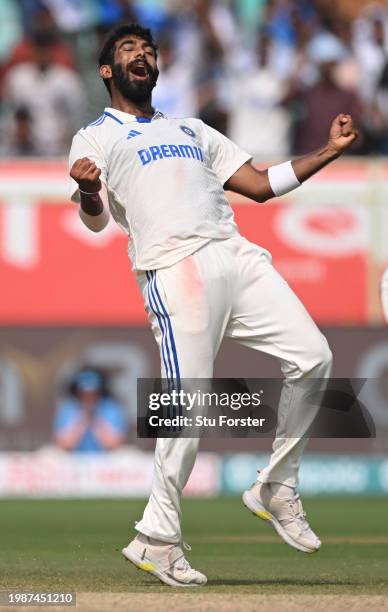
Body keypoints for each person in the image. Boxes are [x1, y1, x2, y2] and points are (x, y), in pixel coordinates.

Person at [68, 23, 358, 587]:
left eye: (148, 50)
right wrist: (86, 191)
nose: (142, 55)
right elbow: (97, 220)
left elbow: (259, 184)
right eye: (129, 50)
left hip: (236, 254)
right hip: (175, 268)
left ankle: (276, 486)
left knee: (315, 356)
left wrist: (329, 151)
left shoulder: (193, 128)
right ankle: (157, 539)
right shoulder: (95, 135)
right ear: (108, 71)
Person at [53, 368, 127, 452]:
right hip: (73, 461)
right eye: (84, 393)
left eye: (93, 393)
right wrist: (81, 421)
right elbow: (63, 444)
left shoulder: (110, 408)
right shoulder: (69, 408)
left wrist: (96, 420)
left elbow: (115, 445)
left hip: (106, 461)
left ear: (100, 391)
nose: (88, 397)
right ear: (77, 392)